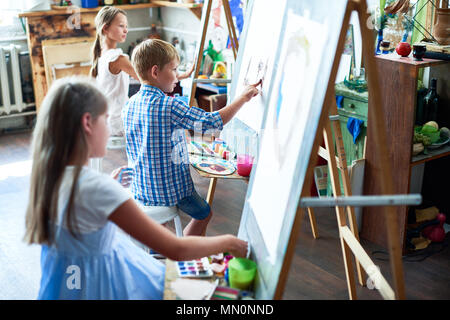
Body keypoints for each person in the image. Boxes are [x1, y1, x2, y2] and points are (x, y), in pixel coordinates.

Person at [24, 77, 248, 300]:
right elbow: (175, 249)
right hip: (104, 286)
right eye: (106, 119)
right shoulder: (95, 188)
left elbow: (82, 218)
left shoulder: (53, 177)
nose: (112, 128)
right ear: (87, 123)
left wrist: (109, 188)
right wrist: (230, 242)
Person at [123, 39, 260, 237]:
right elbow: (211, 123)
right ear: (155, 72)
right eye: (174, 69)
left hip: (141, 188)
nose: (177, 76)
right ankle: (184, 247)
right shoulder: (168, 105)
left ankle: (159, 245)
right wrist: (242, 98)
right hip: (168, 191)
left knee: (161, 219)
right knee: (204, 213)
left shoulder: (130, 103)